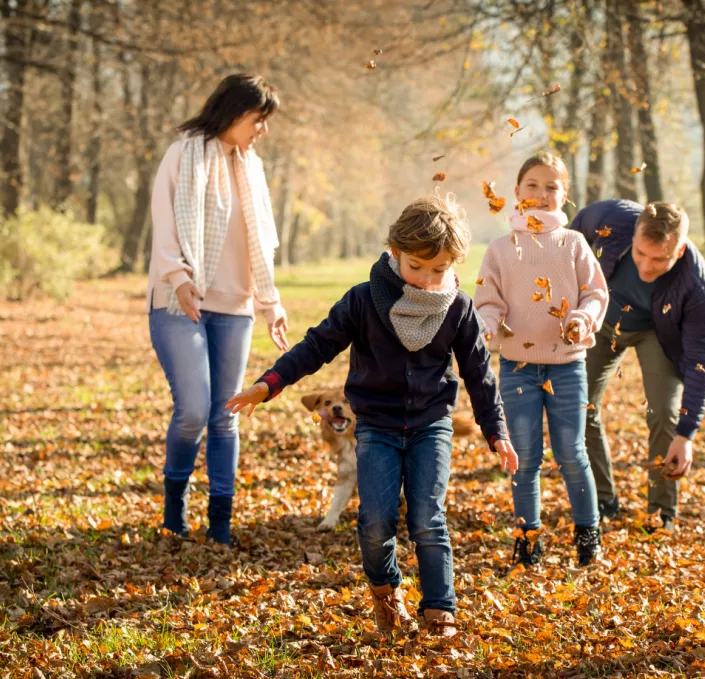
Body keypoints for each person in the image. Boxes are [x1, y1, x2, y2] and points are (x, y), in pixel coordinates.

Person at [227, 192, 519, 638]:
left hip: (430, 424)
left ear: (453, 263)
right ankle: (387, 594)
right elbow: (317, 345)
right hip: (377, 426)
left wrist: (495, 431)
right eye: (415, 266)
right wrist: (269, 383)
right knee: (376, 520)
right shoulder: (364, 300)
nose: (426, 279)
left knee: (427, 517)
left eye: (438, 270)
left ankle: (440, 611)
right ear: (395, 252)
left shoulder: (458, 308)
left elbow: (479, 373)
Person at [147, 74, 289, 546]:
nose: (262, 131)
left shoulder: (252, 167)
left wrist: (271, 305)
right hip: (178, 300)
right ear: (232, 113)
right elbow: (164, 224)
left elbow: (261, 245)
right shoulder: (181, 156)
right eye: (258, 120)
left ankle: (221, 523)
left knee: (225, 413)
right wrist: (180, 278)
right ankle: (174, 510)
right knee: (191, 410)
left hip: (235, 306)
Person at [474, 152, 609, 568]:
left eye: (552, 187)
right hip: (516, 366)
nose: (541, 194)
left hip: (567, 364)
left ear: (564, 196)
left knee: (571, 452)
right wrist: (487, 327)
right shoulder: (501, 248)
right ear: (517, 193)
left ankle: (588, 537)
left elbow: (595, 293)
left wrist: (582, 318)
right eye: (533, 185)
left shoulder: (574, 244)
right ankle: (528, 540)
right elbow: (488, 301)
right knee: (525, 457)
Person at [570, 199, 705, 533]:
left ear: (678, 251)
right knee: (580, 405)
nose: (647, 267)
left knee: (665, 413)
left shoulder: (696, 283)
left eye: (660, 259)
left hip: (656, 333)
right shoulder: (611, 218)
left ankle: (661, 512)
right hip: (601, 323)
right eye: (640, 254)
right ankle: (603, 501)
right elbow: (568, 240)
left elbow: (701, 360)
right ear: (633, 235)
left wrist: (687, 434)